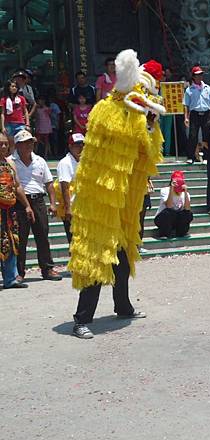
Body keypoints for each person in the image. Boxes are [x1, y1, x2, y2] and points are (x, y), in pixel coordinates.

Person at [68, 52, 165, 339]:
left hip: (125, 198)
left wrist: (148, 124)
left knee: (124, 257)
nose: (145, 95)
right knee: (97, 257)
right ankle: (81, 319)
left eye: (147, 92)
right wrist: (137, 119)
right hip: (99, 198)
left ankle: (123, 306)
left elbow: (148, 153)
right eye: (142, 90)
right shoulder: (104, 110)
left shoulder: (141, 115)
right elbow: (113, 134)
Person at [10, 129, 61, 281]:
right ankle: (19, 272)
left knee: (43, 236)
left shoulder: (40, 161)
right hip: (19, 202)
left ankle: (47, 269)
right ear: (18, 145)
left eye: (30, 142)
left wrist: (52, 203)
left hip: (38, 200)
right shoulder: (11, 161)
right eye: (25, 143)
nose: (29, 145)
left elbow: (49, 184)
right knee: (21, 238)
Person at [0, 130, 32, 288]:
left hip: (9, 210)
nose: (4, 146)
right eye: (1, 144)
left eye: (6, 143)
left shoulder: (10, 163)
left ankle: (10, 278)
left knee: (11, 242)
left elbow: (17, 186)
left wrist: (27, 205)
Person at [184, 66, 210, 164]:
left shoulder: (207, 88)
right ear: (193, 77)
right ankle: (191, 156)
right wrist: (186, 117)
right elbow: (186, 105)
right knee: (192, 135)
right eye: (197, 75)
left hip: (207, 113)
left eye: (201, 75)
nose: (199, 77)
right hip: (194, 114)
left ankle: (207, 156)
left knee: (206, 135)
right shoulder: (189, 90)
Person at [55, 133, 84, 244]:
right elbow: (65, 187)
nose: (80, 147)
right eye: (77, 145)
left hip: (84, 207)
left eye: (82, 144)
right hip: (72, 207)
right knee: (74, 240)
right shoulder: (65, 163)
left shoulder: (85, 161)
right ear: (70, 146)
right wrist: (68, 208)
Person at [154, 171, 193, 238]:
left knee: (188, 214)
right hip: (162, 218)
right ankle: (164, 233)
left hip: (176, 218)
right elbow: (169, 206)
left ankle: (182, 232)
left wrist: (185, 192)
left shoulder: (185, 193)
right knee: (169, 212)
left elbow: (187, 208)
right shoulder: (165, 190)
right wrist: (172, 189)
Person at [0, 80, 29, 149]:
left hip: (20, 124)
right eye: (12, 86)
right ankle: (12, 159)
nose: (14, 88)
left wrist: (27, 124)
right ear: (8, 88)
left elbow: (25, 111)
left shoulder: (21, 99)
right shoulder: (3, 99)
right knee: (11, 144)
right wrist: (3, 127)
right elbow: (2, 114)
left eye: (16, 86)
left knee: (21, 143)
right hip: (8, 124)